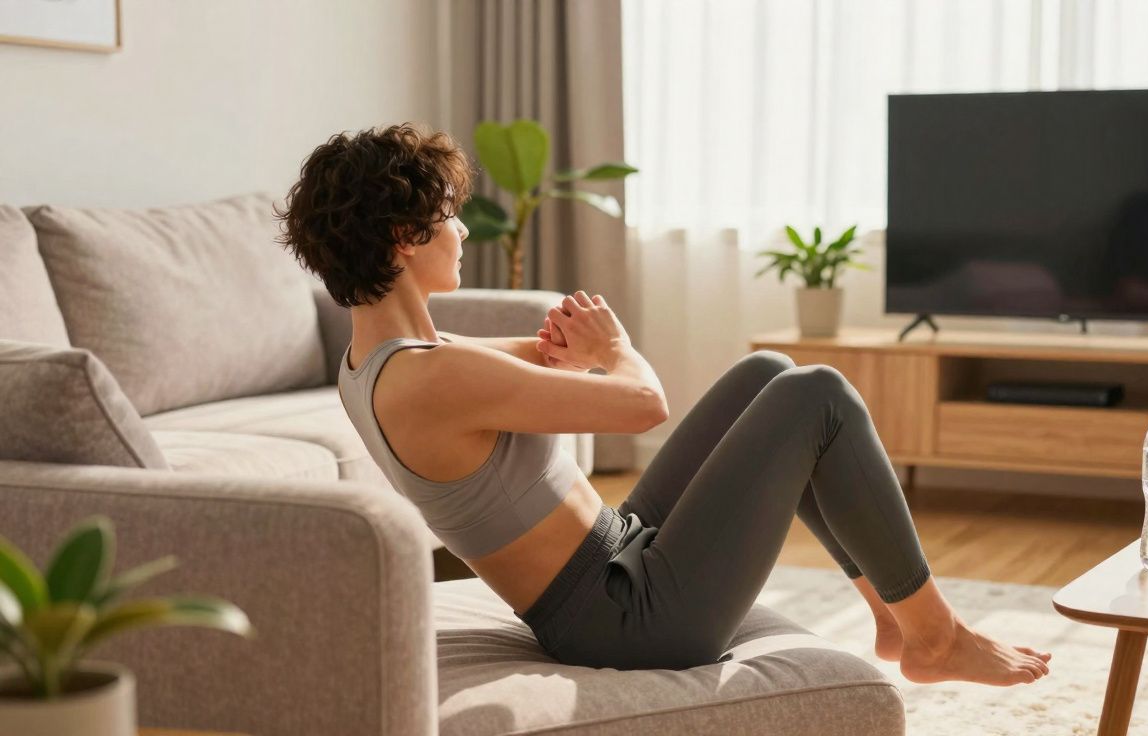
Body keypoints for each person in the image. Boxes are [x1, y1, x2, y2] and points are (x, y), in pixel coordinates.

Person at [277, 123, 1051, 685]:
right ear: (405, 237)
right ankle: (935, 636)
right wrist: (613, 345)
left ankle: (888, 612)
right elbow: (643, 403)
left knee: (769, 374)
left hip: (618, 554)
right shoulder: (431, 378)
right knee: (818, 396)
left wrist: (575, 347)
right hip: (628, 620)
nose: (460, 230)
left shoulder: (383, 361)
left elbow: (539, 363)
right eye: (448, 215)